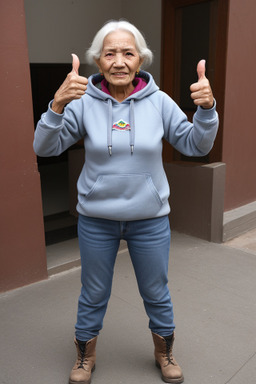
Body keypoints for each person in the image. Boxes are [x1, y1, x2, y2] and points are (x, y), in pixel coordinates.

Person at [33, 20, 218, 384]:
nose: (119, 61)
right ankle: (85, 357)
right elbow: (45, 147)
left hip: (149, 219)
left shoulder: (160, 102)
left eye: (128, 53)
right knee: (94, 291)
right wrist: (56, 105)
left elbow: (196, 145)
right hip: (97, 219)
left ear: (140, 61)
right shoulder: (83, 102)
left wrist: (207, 110)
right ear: (98, 62)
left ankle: (164, 352)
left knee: (155, 290)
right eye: (110, 53)